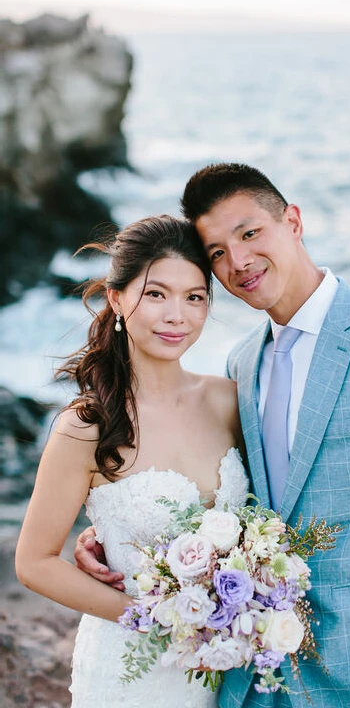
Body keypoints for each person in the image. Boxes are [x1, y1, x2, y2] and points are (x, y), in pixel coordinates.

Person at [75, 164, 350, 708]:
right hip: (253, 676)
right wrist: (121, 537)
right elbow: (233, 501)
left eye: (249, 233)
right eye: (216, 252)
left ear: (292, 221)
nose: (237, 261)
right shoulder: (242, 365)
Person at [15, 214, 249, 708]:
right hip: (131, 671)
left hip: (227, 666)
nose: (176, 316)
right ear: (117, 299)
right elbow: (33, 563)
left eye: (195, 297)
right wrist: (158, 618)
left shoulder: (232, 403)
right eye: (156, 294)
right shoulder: (87, 426)